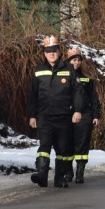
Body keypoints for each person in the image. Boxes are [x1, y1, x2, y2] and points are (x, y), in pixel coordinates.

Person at [28, 35, 84, 188]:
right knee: (44, 147)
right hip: (44, 116)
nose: (51, 54)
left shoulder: (69, 69)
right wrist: (32, 115)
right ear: (44, 53)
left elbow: (78, 93)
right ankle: (41, 176)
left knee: (63, 150)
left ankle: (59, 178)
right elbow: (33, 94)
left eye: (54, 51)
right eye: (48, 51)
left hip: (64, 117)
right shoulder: (38, 70)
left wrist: (77, 111)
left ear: (59, 52)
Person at [66, 46, 100, 184]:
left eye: (78, 60)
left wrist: (96, 115)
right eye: (73, 60)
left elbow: (94, 98)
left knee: (82, 144)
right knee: (67, 144)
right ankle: (68, 172)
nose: (76, 63)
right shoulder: (63, 77)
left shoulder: (87, 78)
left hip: (85, 114)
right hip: (67, 114)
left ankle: (80, 172)